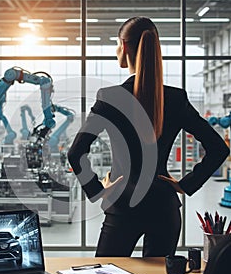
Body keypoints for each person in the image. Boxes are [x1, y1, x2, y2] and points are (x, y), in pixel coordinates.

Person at [67, 16, 229, 257]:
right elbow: (219, 148)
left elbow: (76, 152)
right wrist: (186, 184)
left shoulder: (110, 97)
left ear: (123, 46)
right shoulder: (176, 99)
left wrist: (98, 188)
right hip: (164, 207)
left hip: (123, 205)